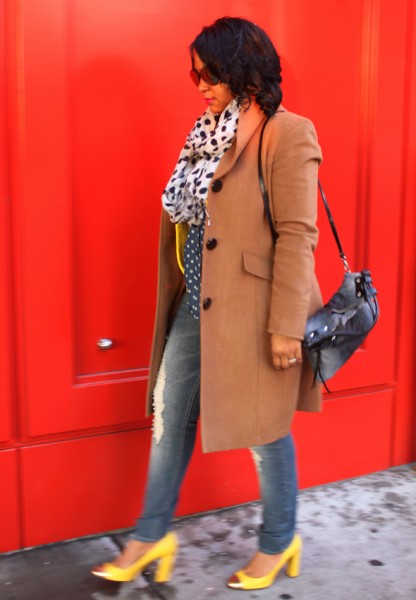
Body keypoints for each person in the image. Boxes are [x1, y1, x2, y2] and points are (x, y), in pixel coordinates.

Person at [92, 16, 322, 591]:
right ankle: (150, 537)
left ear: (241, 68)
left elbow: (298, 235)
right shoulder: (205, 132)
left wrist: (286, 327)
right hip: (195, 306)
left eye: (209, 71)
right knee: (169, 417)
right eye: (193, 73)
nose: (199, 83)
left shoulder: (286, 133)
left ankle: (279, 540)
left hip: (254, 310)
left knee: (264, 429)